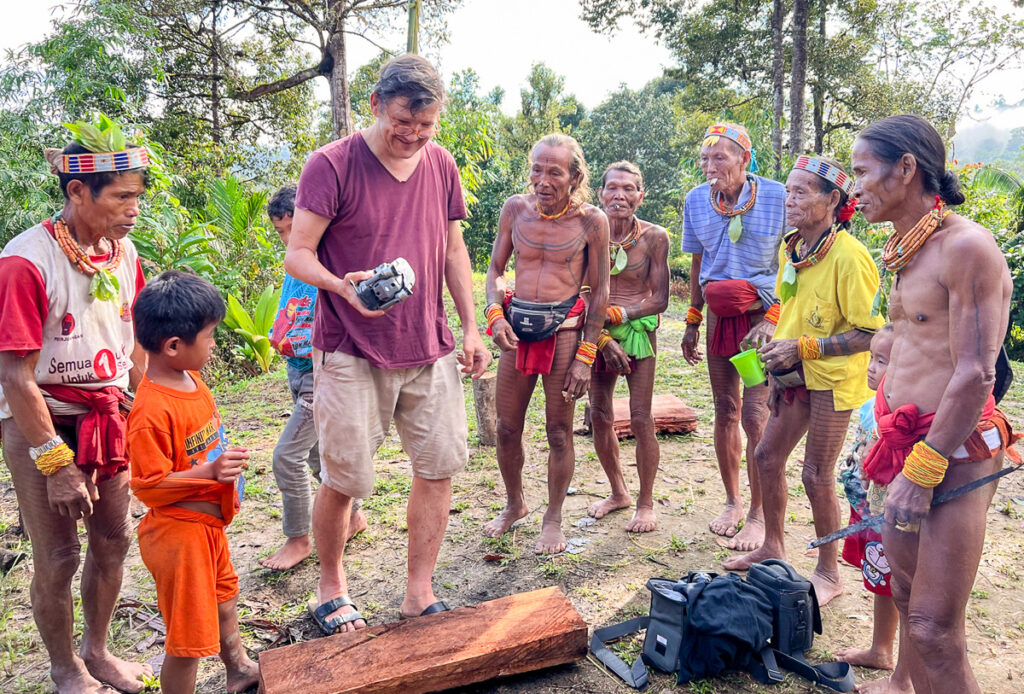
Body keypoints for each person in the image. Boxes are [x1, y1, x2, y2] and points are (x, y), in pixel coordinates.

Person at [285, 54, 490, 632]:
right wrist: (342, 289)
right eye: (403, 122)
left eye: (425, 127)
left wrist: (470, 327)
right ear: (374, 105)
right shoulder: (332, 165)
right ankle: (331, 586)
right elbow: (298, 253)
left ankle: (418, 591)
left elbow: (452, 249)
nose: (413, 136)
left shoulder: (441, 164)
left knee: (439, 466)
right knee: (345, 476)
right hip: (349, 346)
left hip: (428, 344)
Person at [851, 114, 1017, 694]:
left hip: (950, 450)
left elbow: (975, 373)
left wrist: (923, 470)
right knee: (904, 594)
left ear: (905, 168)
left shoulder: (967, 247)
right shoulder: (903, 248)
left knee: (932, 630)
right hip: (900, 443)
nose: (855, 188)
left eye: (862, 172)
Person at [0, 121, 152, 693]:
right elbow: (14, 374)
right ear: (77, 192)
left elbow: (132, 339)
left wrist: (153, 411)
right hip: (43, 422)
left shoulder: (123, 251)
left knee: (114, 539)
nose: (133, 208)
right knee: (59, 555)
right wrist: (55, 462)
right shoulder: (25, 262)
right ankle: (65, 668)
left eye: (137, 195)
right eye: (122, 196)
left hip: (106, 421)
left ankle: (98, 650)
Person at [723, 156, 884, 607]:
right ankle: (773, 546)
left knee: (816, 475)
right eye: (788, 191)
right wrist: (779, 357)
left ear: (833, 199)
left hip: (832, 379)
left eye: (801, 192)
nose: (789, 200)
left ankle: (828, 572)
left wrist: (804, 348)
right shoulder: (792, 246)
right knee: (767, 456)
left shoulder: (851, 257)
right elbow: (784, 305)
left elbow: (869, 332)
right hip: (793, 373)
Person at [127, 271, 259, 694]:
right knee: (186, 643)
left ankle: (237, 669)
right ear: (172, 346)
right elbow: (146, 486)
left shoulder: (191, 380)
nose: (215, 343)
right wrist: (209, 473)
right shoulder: (150, 411)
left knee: (224, 602)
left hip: (209, 529)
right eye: (210, 336)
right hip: (179, 537)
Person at [482, 133, 610, 554]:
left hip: (566, 334)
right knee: (505, 428)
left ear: (574, 177)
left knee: (559, 431)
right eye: (537, 169)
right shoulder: (515, 210)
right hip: (517, 330)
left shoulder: (592, 221)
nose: (543, 180)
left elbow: (601, 292)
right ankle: (515, 503)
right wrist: (494, 312)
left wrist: (585, 358)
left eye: (554, 172)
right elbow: (496, 270)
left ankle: (552, 519)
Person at [680, 123, 787, 550]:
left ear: (744, 158)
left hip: (764, 318)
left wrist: (775, 316)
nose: (710, 167)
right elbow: (698, 262)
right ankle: (733, 501)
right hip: (719, 319)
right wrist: (692, 319)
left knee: (756, 415)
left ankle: (760, 514)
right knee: (725, 408)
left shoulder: (778, 196)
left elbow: (795, 258)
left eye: (719, 158)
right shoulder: (696, 200)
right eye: (704, 159)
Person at [259, 184, 366, 571]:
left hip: (319, 375)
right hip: (297, 370)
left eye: (293, 228)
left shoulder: (330, 262)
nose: (288, 238)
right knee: (315, 452)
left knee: (287, 456)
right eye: (280, 232)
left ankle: (299, 538)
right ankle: (351, 517)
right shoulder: (294, 265)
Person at [586, 161, 669, 533]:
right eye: (612, 188)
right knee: (599, 415)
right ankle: (618, 492)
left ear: (641, 195)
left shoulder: (655, 237)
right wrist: (601, 338)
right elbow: (577, 289)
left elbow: (661, 298)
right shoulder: (587, 232)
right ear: (600, 193)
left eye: (628, 189)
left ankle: (645, 502)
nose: (619, 195)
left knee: (640, 416)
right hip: (594, 331)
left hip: (637, 330)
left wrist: (621, 314)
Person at [832, 325, 913, 694]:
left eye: (882, 361)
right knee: (882, 582)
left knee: (903, 588)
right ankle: (881, 649)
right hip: (869, 511)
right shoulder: (873, 405)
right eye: (872, 357)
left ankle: (906, 677)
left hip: (893, 518)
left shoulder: (905, 420)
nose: (871, 367)